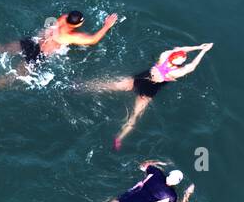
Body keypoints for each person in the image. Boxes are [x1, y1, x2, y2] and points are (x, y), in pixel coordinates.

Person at [81, 43, 213, 150]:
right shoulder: (177, 72)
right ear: (179, 62)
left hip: (140, 79)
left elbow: (180, 49)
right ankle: (119, 138)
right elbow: (193, 65)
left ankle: (81, 87)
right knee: (135, 115)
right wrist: (203, 51)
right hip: (149, 91)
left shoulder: (164, 56)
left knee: (111, 85)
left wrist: (198, 46)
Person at [0, 10, 120, 87]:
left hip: (34, 41)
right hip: (40, 54)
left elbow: (49, 23)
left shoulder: (62, 18)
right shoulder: (71, 36)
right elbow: (93, 40)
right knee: (16, 74)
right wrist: (106, 26)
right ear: (78, 25)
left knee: (6, 47)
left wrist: (46, 32)